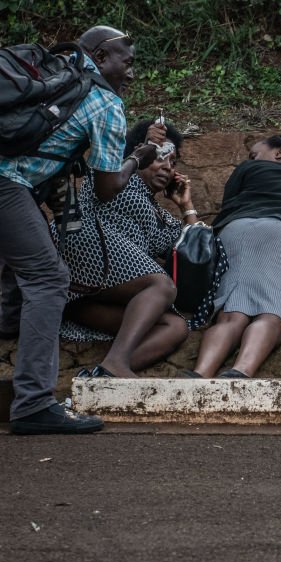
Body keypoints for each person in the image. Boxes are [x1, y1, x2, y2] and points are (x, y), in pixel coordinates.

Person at [0, 26, 155, 434]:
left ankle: (12, 322)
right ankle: (33, 404)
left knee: (31, 236)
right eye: (126, 62)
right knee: (48, 276)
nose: (131, 74)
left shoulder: (47, 67)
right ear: (99, 55)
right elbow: (108, 186)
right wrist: (138, 158)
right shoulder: (104, 103)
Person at [58, 119, 199, 379]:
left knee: (175, 326)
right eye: (161, 158)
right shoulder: (114, 178)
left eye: (172, 163)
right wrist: (142, 148)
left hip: (96, 299)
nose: (167, 168)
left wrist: (185, 205)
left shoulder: (161, 217)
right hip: (83, 256)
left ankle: (103, 373)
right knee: (162, 286)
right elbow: (101, 183)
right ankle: (117, 364)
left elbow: (194, 248)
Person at [191, 135, 281, 378]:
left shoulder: (249, 169)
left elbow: (229, 202)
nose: (250, 158)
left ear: (279, 153)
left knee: (232, 313)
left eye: (254, 153)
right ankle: (241, 372)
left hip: (236, 230)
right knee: (272, 312)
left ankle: (200, 374)